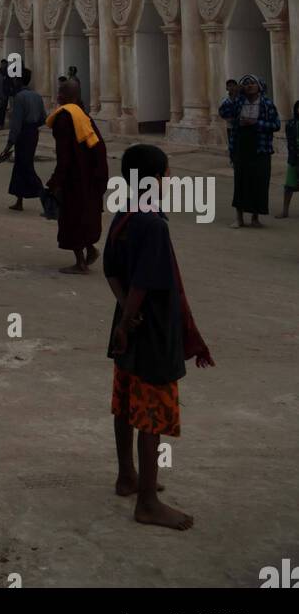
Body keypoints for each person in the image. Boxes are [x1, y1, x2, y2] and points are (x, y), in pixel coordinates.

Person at [104, 143, 214, 530]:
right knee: (150, 411)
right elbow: (148, 281)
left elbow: (112, 272)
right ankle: (147, 502)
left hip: (129, 327)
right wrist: (130, 317)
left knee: (126, 401)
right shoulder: (152, 222)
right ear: (154, 179)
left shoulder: (125, 213)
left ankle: (126, 476)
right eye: (167, 174)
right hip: (149, 329)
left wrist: (122, 318)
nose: (169, 180)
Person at [44, 77, 108, 271]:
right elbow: (98, 147)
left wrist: (55, 181)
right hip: (91, 175)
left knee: (72, 218)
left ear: (64, 96)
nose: (58, 95)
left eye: (60, 92)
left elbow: (65, 156)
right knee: (85, 215)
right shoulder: (83, 115)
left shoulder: (64, 118)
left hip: (75, 178)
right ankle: (90, 248)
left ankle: (80, 262)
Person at [219, 74, 280, 228]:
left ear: (259, 86)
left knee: (259, 182)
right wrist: (234, 95)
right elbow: (224, 113)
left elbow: (276, 124)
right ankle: (239, 218)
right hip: (241, 147)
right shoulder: (238, 103)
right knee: (241, 181)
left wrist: (256, 123)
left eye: (252, 83)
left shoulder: (266, 104)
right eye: (246, 84)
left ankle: (255, 217)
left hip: (260, 148)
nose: (249, 85)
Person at [0, 68, 46, 208]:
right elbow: (44, 118)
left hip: (23, 134)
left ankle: (46, 196)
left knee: (25, 167)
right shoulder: (37, 96)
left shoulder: (19, 97)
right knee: (20, 166)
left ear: (18, 80)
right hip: (33, 133)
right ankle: (19, 201)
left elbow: (16, 124)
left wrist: (9, 143)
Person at [278, 100, 299, 219]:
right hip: (294, 158)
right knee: (289, 186)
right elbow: (290, 141)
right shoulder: (291, 124)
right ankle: (285, 211)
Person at [0, 58, 12, 130]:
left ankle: (2, 124)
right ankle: (1, 124)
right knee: (1, 109)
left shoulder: (9, 74)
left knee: (2, 110)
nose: (3, 65)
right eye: (2, 64)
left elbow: (10, 84)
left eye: (5, 64)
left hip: (5, 95)